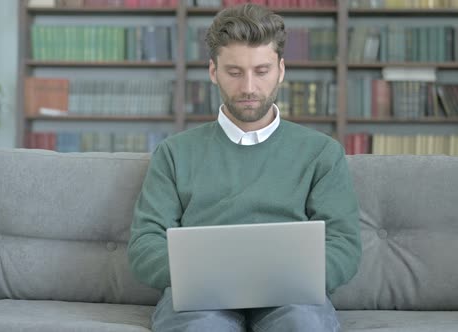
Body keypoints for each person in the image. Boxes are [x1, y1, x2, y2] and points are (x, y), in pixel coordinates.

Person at [127, 3, 361, 331]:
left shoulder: (322, 153)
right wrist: (204, 273)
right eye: (234, 72)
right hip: (200, 296)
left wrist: (287, 276)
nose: (249, 87)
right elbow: (144, 244)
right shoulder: (174, 153)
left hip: (292, 296)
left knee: (302, 324)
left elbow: (344, 244)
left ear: (280, 70)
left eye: (261, 71)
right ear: (214, 72)